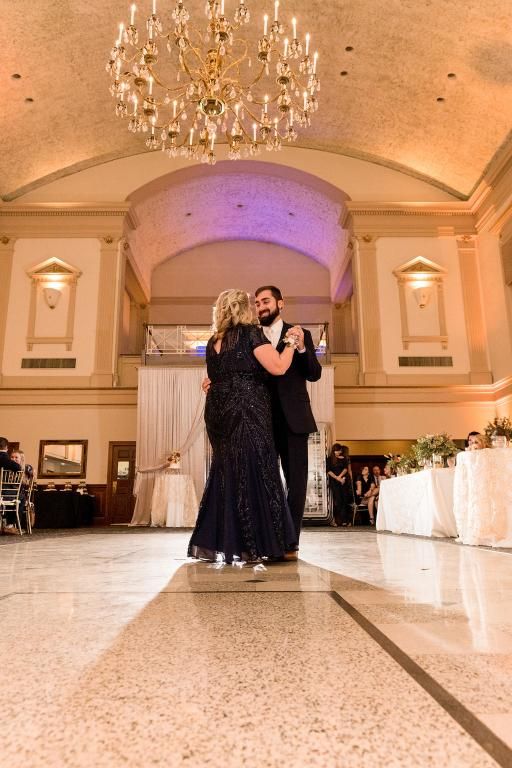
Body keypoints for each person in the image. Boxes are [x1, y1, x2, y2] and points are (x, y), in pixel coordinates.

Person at [188, 289, 298, 564]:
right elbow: (278, 367)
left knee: (227, 473)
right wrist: (292, 342)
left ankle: (222, 541)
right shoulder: (249, 333)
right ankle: (259, 544)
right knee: (259, 471)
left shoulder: (214, 340)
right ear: (243, 308)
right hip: (246, 409)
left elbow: (216, 377)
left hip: (217, 411)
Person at [254, 285, 322, 544]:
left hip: (294, 418)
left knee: (296, 482)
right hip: (261, 420)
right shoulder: (251, 336)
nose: (261, 306)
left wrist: (303, 349)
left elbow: (314, 373)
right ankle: (267, 536)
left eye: (266, 301)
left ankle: (290, 540)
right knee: (264, 480)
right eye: (257, 303)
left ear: (281, 303)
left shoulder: (300, 333)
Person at [0, 437, 22, 534]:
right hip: (2, 492)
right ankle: (10, 525)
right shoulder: (5, 459)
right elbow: (18, 467)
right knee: (20, 497)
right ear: (6, 447)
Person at [326, 443, 350, 526]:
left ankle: (346, 520)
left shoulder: (344, 459)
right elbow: (328, 471)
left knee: (345, 500)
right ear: (334, 451)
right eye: (337, 451)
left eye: (340, 450)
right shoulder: (329, 459)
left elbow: (346, 469)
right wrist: (337, 478)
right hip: (335, 482)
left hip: (343, 481)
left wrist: (340, 477)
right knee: (338, 501)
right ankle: (339, 520)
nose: (339, 452)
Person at [11, 449, 35, 529]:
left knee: (21, 498)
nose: (13, 459)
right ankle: (9, 524)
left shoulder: (26, 468)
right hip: (8, 493)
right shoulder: (8, 468)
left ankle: (14, 524)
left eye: (16, 457)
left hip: (21, 494)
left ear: (21, 459)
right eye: (12, 457)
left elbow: (33, 477)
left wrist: (31, 472)